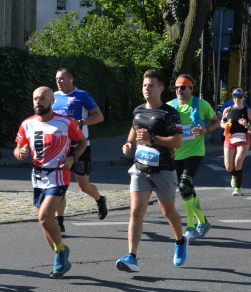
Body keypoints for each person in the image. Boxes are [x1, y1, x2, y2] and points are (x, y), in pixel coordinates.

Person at [116, 70, 187, 272]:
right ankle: (132, 256)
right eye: (144, 85)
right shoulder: (138, 110)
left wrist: (153, 139)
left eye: (151, 85)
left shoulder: (169, 113)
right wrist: (129, 144)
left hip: (163, 169)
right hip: (140, 168)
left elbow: (178, 142)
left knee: (168, 211)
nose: (146, 89)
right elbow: (134, 128)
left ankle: (180, 241)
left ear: (161, 88)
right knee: (136, 212)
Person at [14, 87, 87, 279]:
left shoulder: (65, 122)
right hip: (37, 177)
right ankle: (60, 254)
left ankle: (61, 253)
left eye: (43, 99)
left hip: (59, 175)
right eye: (36, 98)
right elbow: (18, 147)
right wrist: (20, 153)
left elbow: (82, 143)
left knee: (45, 218)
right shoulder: (27, 124)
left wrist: (72, 158)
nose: (39, 102)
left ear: (52, 101)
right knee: (45, 224)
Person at [52, 67, 108, 234]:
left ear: (71, 79)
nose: (58, 82)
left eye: (62, 79)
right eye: (56, 79)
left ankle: (99, 199)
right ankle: (59, 222)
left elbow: (99, 116)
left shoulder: (82, 95)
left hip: (80, 146)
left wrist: (81, 122)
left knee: (83, 186)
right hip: (60, 147)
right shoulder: (53, 97)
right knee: (60, 185)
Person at [168, 74, 220, 240]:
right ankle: (203, 221)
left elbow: (216, 121)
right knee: (188, 189)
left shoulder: (201, 104)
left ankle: (190, 227)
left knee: (184, 186)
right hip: (176, 152)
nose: (179, 90)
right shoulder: (170, 106)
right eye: (176, 87)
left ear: (191, 89)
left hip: (195, 151)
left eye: (183, 87)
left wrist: (206, 130)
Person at [222, 88, 251, 195]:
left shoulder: (248, 111)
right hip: (229, 138)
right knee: (228, 167)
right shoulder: (227, 110)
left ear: (243, 98)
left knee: (237, 163)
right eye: (235, 96)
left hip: (243, 138)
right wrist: (224, 125)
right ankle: (234, 175)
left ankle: (237, 188)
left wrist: (247, 125)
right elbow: (221, 123)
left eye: (239, 96)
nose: (237, 99)